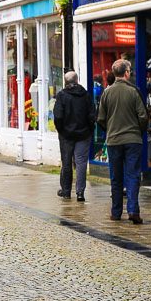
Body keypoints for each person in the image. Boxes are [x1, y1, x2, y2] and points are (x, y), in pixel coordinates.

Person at [97, 59, 148, 224]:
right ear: (126, 73)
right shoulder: (134, 92)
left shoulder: (107, 92)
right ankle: (133, 210)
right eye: (130, 70)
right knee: (133, 175)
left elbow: (101, 118)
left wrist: (110, 130)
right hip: (133, 140)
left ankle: (116, 212)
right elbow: (143, 116)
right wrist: (138, 131)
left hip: (113, 141)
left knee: (116, 177)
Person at [53, 71, 96, 202]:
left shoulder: (62, 96)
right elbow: (92, 114)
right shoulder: (86, 95)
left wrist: (61, 130)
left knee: (66, 162)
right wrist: (89, 129)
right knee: (81, 162)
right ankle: (80, 192)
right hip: (83, 134)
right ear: (77, 81)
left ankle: (66, 191)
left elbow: (58, 116)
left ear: (65, 82)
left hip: (66, 135)